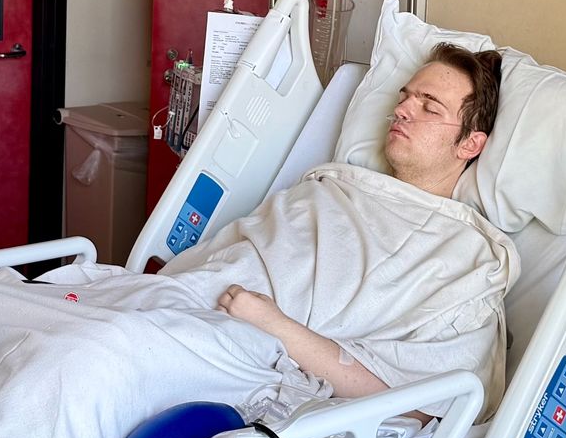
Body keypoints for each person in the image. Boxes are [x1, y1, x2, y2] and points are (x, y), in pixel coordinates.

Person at [210, 43, 505, 409]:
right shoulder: (330, 190)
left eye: (429, 107)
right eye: (404, 98)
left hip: (238, 351)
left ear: (470, 145)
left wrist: (274, 325)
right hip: (191, 303)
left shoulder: (469, 261)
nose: (402, 110)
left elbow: (423, 407)